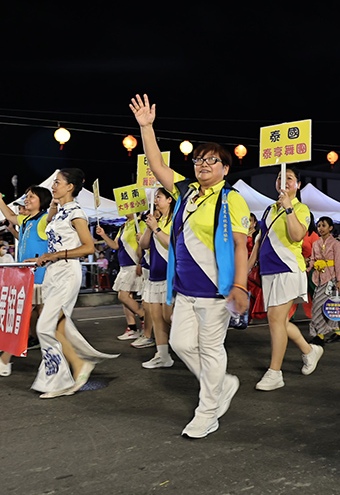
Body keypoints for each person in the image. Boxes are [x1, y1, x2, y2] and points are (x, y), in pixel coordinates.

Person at [132, 93, 249, 439]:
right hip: (184, 289)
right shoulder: (186, 192)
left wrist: (240, 286)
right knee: (182, 344)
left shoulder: (232, 199)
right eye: (199, 160)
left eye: (212, 160)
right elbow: (157, 166)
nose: (203, 165)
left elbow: (240, 245)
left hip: (215, 291)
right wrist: (147, 127)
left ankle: (207, 412)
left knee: (211, 350)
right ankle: (221, 385)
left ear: (225, 168)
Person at [28, 168, 118, 398]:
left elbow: (88, 247)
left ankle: (70, 371)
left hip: (67, 273)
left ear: (70, 187)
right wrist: (42, 258)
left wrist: (55, 255)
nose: (53, 186)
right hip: (53, 272)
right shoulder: (60, 212)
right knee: (57, 327)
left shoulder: (76, 212)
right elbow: (51, 232)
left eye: (57, 182)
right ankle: (71, 371)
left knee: (44, 327)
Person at [250, 166, 322, 392]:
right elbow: (259, 241)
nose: (283, 181)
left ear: (297, 185)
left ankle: (275, 373)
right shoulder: (269, 209)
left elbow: (297, 235)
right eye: (280, 177)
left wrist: (289, 208)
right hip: (268, 271)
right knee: (279, 321)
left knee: (275, 319)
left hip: (289, 269)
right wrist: (246, 269)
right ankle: (310, 351)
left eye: (289, 178)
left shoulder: (301, 208)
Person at [0, 186, 53, 376]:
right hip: (27, 277)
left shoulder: (45, 219)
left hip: (40, 277)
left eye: (31, 197)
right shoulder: (27, 220)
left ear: (42, 201)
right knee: (31, 320)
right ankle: (6, 360)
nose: (26, 199)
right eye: (26, 196)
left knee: (37, 321)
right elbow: (11, 216)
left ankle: (7, 360)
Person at [96, 214, 150, 346]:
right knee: (126, 299)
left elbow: (144, 246)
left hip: (134, 264)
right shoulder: (124, 226)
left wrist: (140, 263)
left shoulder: (141, 224)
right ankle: (132, 328)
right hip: (124, 265)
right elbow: (115, 245)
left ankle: (143, 316)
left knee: (123, 296)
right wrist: (103, 235)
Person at [137, 189, 176, 368]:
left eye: (159, 197)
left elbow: (171, 243)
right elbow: (144, 245)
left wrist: (156, 228)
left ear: (169, 200)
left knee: (169, 317)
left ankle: (193, 346)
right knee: (157, 318)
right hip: (154, 275)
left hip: (170, 275)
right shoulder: (156, 221)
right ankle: (162, 355)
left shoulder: (175, 219)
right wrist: (149, 227)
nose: (156, 201)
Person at [307, 216, 340, 344]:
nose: (320, 228)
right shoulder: (316, 243)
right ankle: (337, 333)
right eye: (319, 226)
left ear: (330, 228)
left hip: (330, 278)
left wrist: (339, 280)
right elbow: (312, 260)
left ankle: (320, 334)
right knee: (329, 306)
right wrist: (306, 269)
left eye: (324, 225)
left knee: (317, 306)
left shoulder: (335, 243)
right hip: (317, 277)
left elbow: (338, 262)